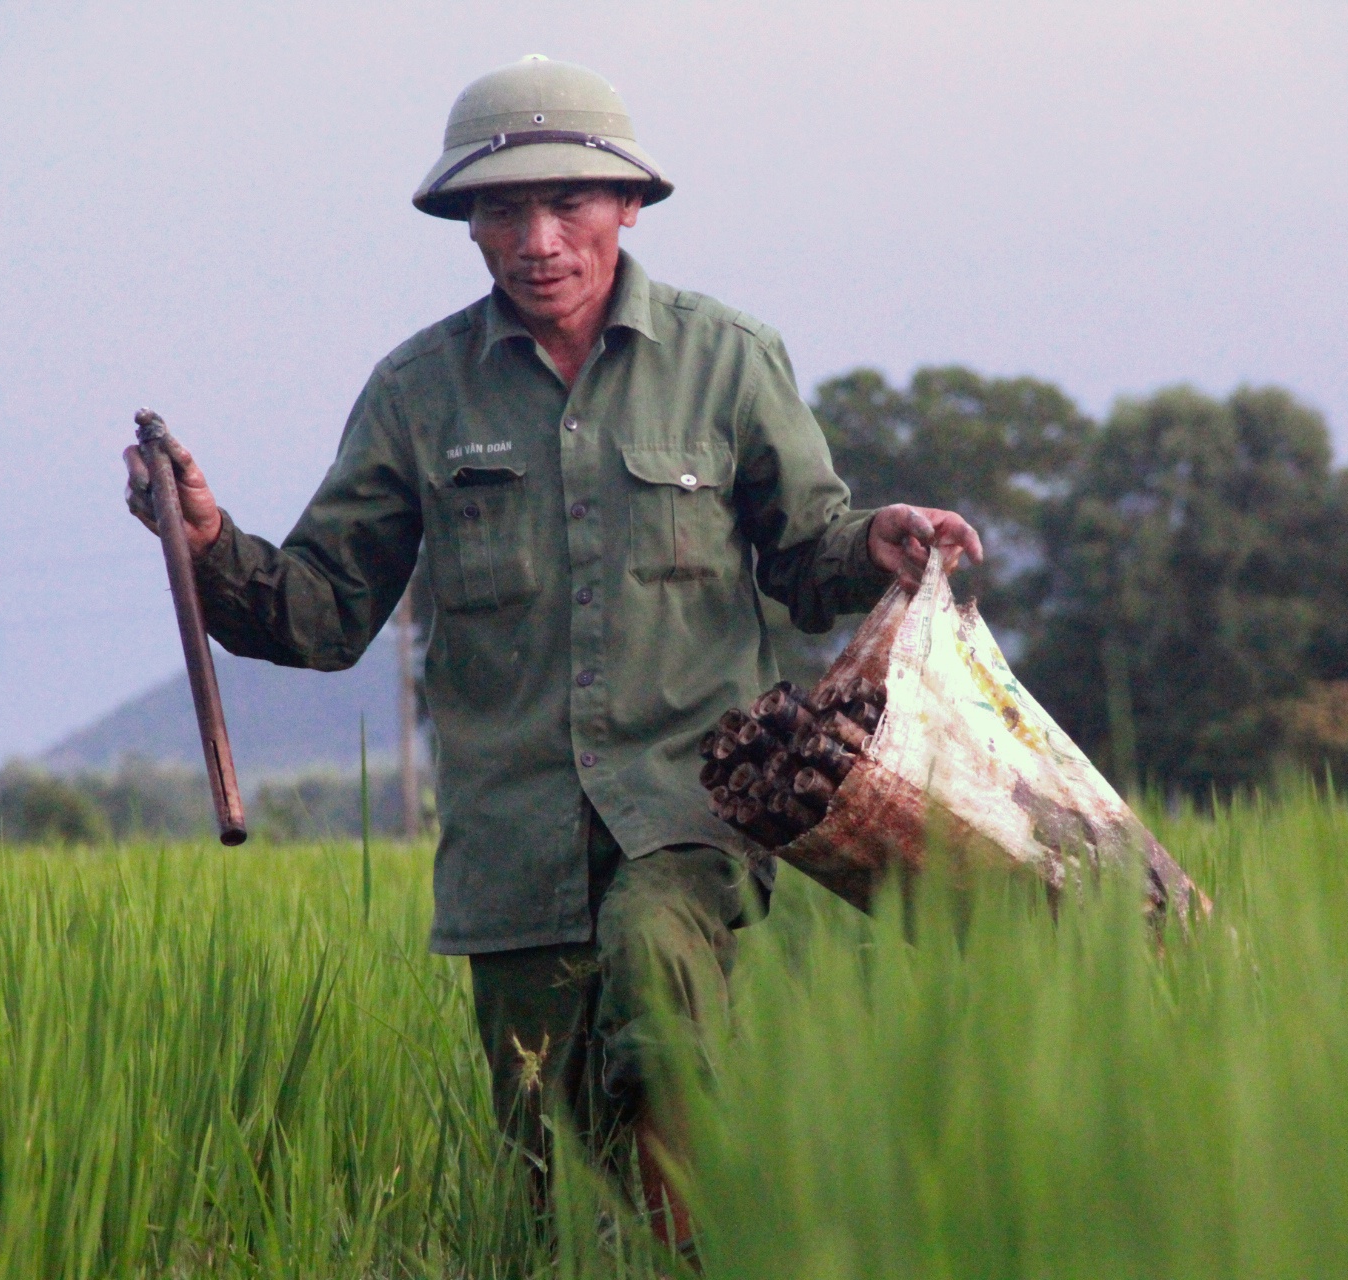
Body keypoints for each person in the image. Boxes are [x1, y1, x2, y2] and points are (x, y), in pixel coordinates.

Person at [124, 54, 981, 1244]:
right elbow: (320, 610)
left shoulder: (727, 360)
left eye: (568, 201)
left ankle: (704, 1242)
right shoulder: (419, 392)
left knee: (653, 959)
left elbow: (808, 551)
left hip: (694, 801)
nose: (538, 236)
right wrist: (208, 538)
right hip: (514, 837)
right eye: (502, 207)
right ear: (468, 226)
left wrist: (879, 535)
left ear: (627, 206)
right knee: (544, 1177)